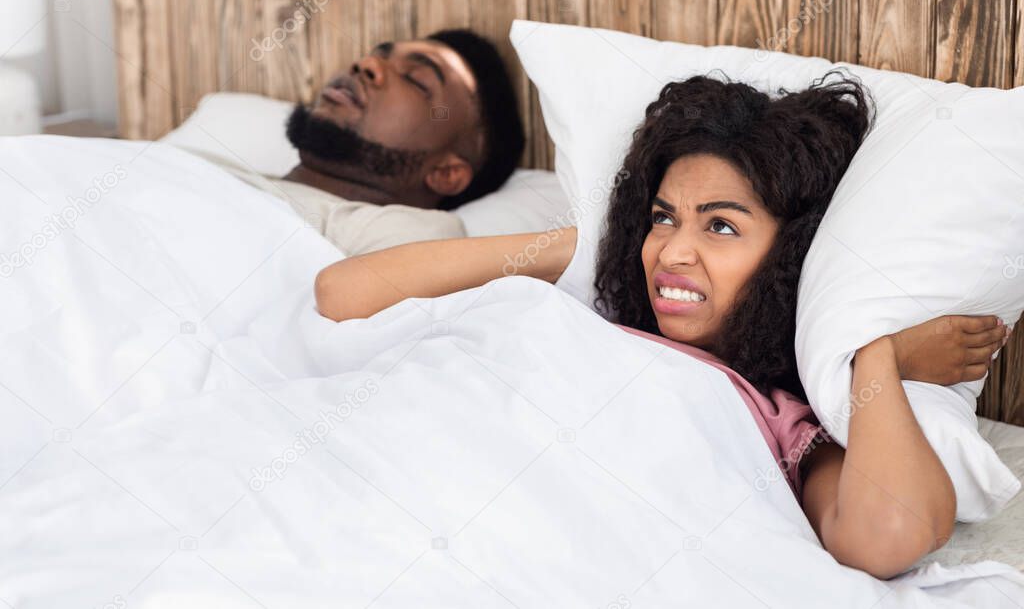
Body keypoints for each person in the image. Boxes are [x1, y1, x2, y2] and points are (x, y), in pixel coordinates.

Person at [311, 73, 1010, 579]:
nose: (673, 250)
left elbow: (888, 537)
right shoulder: (590, 318)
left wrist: (872, 355)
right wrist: (586, 248)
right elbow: (341, 294)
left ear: (791, 257)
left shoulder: (784, 424)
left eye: (722, 226)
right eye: (663, 217)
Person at [223, 28, 525, 255]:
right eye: (378, 55)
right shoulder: (215, 170)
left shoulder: (404, 233)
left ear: (445, 173)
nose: (366, 64)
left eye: (415, 80)